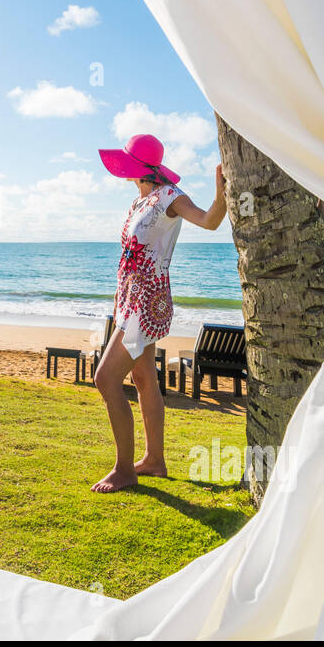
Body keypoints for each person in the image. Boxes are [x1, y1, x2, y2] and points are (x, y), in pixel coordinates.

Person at [91, 133, 227, 493]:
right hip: (128, 299)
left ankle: (124, 469)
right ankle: (154, 460)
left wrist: (221, 193)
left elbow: (210, 221)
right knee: (143, 378)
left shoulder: (170, 197)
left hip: (147, 301)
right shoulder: (138, 203)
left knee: (105, 379)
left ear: (138, 168)